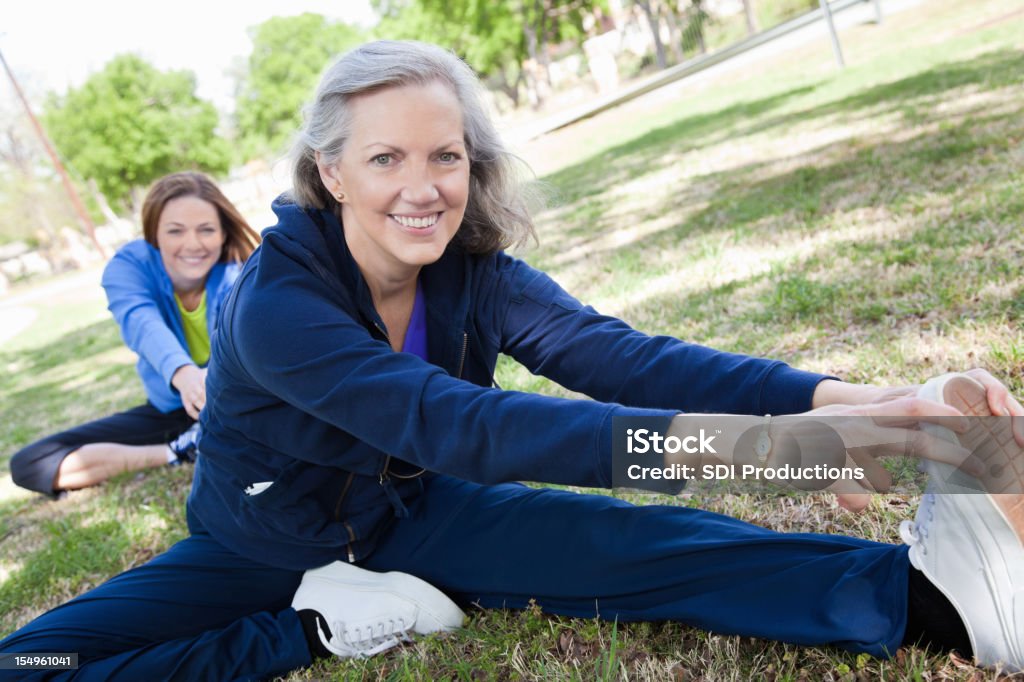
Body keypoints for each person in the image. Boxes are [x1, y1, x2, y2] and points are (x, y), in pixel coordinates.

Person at [1, 41, 1022, 680]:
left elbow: (619, 357)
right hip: (258, 546)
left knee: (643, 550)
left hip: (412, 511)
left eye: (444, 154)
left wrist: (844, 403)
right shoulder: (278, 304)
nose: (423, 185)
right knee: (27, 659)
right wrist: (783, 454)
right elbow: (472, 427)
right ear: (331, 171)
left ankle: (939, 599)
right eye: (386, 157)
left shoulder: (467, 266)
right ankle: (313, 627)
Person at [8, 172, 261, 497]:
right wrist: (185, 377)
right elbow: (142, 324)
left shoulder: (241, 272)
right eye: (175, 231)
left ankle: (215, 438)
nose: (193, 244)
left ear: (224, 234)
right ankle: (183, 449)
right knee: (31, 463)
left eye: (206, 230)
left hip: (236, 404)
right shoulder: (129, 266)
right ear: (154, 234)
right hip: (173, 409)